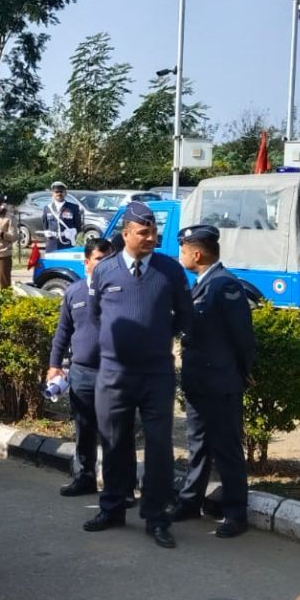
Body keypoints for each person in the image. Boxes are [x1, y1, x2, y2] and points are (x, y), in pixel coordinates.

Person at [83, 201, 192, 549]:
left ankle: (156, 516)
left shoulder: (169, 270)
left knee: (160, 447)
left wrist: (156, 338)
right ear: (126, 233)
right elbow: (97, 315)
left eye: (153, 232)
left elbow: (184, 316)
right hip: (114, 374)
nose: (151, 238)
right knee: (114, 443)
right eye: (144, 232)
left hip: (156, 374)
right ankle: (112, 507)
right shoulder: (105, 270)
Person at [168, 224, 255, 538]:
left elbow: (242, 337)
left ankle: (235, 513)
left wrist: (243, 372)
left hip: (221, 382)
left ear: (196, 253)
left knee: (227, 448)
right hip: (199, 381)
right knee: (198, 444)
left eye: (182, 250)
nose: (180, 256)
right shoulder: (202, 284)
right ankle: (190, 501)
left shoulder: (224, 285)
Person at [47, 237, 115, 497]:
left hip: (112, 373)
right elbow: (63, 332)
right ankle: (84, 477)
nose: (104, 265)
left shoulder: (119, 291)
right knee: (84, 429)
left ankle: (120, 486)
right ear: (87, 263)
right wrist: (54, 365)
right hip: (82, 373)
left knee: (115, 432)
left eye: (110, 259)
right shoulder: (73, 292)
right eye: (99, 259)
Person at [42, 181, 83, 252]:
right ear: (53, 194)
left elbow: (78, 225)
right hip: (52, 243)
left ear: (65, 193)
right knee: (52, 262)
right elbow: (45, 225)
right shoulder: (47, 208)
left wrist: (73, 235)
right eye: (56, 192)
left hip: (67, 242)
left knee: (66, 262)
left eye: (61, 192)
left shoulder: (73, 207)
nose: (59, 194)